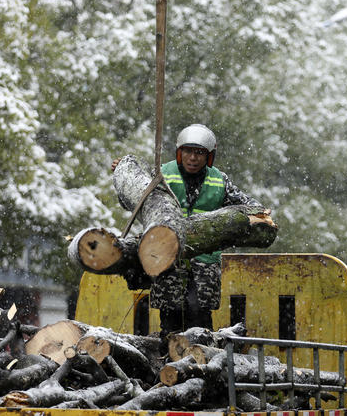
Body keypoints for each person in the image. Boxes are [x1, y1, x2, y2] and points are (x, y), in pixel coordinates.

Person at [112, 124, 265, 336]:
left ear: (209, 156)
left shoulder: (220, 180)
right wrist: (123, 174)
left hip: (205, 261)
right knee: (170, 319)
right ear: (179, 152)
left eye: (200, 153)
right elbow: (131, 200)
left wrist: (247, 221)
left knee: (200, 317)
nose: (193, 158)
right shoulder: (162, 174)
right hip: (167, 258)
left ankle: (202, 360)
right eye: (188, 151)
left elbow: (251, 207)